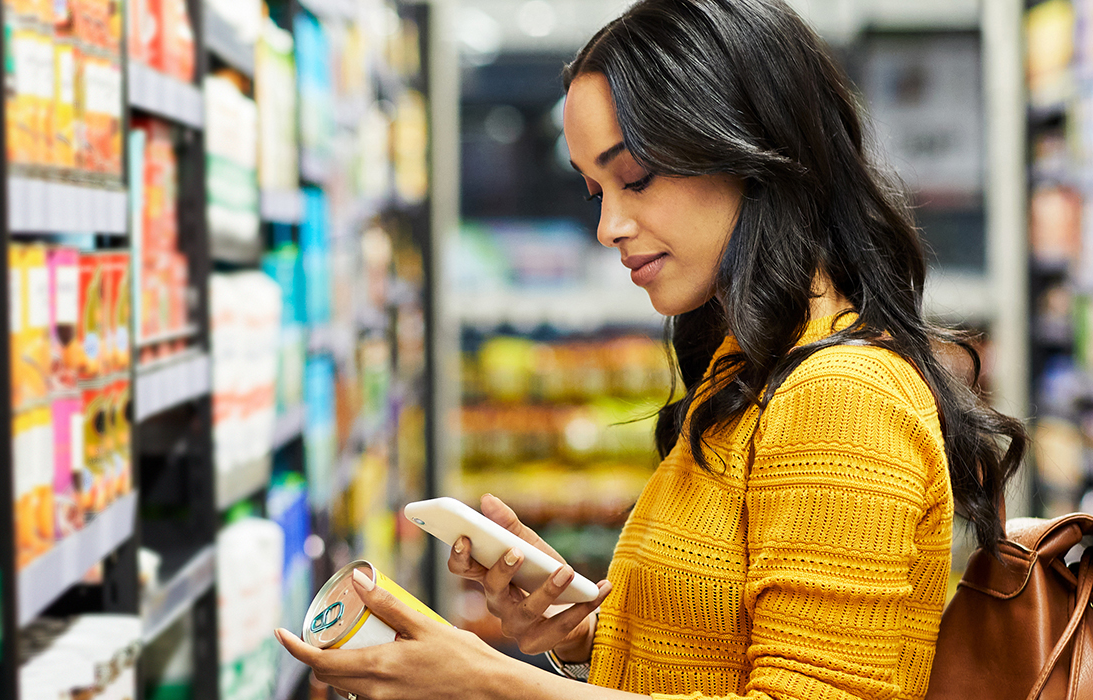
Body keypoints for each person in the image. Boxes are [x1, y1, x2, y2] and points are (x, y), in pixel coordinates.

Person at [273, 0, 1028, 699]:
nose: (609, 228)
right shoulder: (749, 368)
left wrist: (490, 683)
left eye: (635, 177)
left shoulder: (844, 395)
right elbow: (724, 652)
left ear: (750, 150)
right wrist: (584, 629)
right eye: (596, 191)